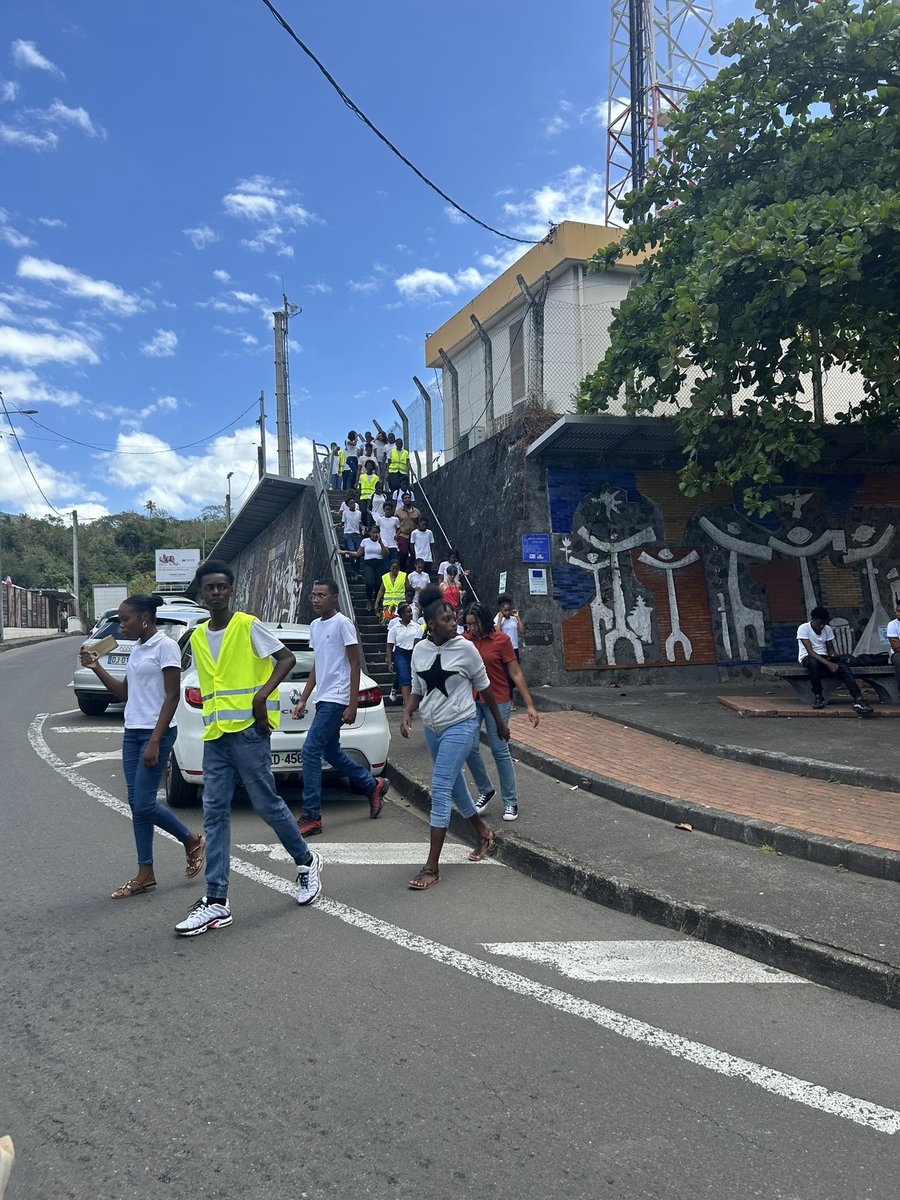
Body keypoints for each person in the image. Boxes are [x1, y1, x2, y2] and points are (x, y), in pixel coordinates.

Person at [174, 561, 323, 936]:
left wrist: (261, 697)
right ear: (201, 594)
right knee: (214, 813)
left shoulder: (247, 625)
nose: (216, 593)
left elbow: (286, 658)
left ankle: (306, 862)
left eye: (223, 586)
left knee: (266, 803)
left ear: (231, 590)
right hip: (216, 735)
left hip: (248, 733)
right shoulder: (196, 637)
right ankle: (216, 900)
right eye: (210, 588)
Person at [79, 594, 204, 899]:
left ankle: (191, 840)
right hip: (133, 732)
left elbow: (172, 696)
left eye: (125, 620)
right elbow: (124, 692)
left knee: (145, 805)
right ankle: (145, 873)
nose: (120, 626)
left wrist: (155, 740)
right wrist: (96, 667)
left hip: (155, 734)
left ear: (145, 618)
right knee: (137, 806)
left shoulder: (166, 647)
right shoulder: (137, 649)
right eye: (120, 620)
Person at [400, 586, 506, 889]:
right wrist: (407, 713)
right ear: (431, 625)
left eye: (454, 618)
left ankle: (431, 868)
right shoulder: (420, 650)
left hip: (461, 726)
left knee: (441, 787)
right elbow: (418, 689)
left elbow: (485, 687)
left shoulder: (465, 648)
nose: (453, 623)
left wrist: (498, 723)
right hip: (433, 730)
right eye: (446, 619)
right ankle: (484, 833)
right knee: (457, 788)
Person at [292, 578, 389, 837]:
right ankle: (372, 785)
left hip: (338, 697)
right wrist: (303, 698)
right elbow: (317, 665)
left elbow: (355, 664)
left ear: (334, 597)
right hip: (323, 697)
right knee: (331, 752)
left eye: (321, 595)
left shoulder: (343, 624)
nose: (316, 599)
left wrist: (352, 703)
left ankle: (312, 815)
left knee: (310, 749)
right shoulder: (314, 626)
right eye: (313, 595)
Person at [464, 602, 540, 822]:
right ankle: (485, 789)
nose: (472, 629)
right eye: (468, 625)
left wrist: (530, 705)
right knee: (468, 746)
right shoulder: (465, 640)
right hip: (473, 699)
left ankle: (510, 801)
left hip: (498, 700)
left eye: (475, 624)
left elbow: (515, 673)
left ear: (485, 621)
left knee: (499, 750)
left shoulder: (501, 640)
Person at [797, 606, 873, 713]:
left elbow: (830, 648)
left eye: (824, 623)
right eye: (820, 623)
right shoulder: (803, 628)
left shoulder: (827, 629)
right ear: (813, 619)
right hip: (808, 658)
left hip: (824, 658)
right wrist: (828, 664)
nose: (822, 626)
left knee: (843, 667)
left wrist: (833, 656)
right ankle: (818, 696)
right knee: (813, 664)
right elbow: (810, 652)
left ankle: (858, 698)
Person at [341, 524, 386, 611]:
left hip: (379, 563)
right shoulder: (365, 541)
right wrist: (346, 552)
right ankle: (369, 600)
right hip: (368, 563)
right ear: (370, 533)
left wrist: (381, 543)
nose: (375, 534)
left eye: (377, 533)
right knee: (369, 582)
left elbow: (386, 554)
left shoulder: (383, 541)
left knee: (378, 584)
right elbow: (358, 553)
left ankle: (377, 602)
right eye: (373, 532)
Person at [386, 602, 423, 708]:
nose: (410, 614)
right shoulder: (394, 629)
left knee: (414, 679)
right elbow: (389, 646)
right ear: (401, 614)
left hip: (414, 653)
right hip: (400, 654)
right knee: (404, 678)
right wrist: (390, 662)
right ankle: (408, 706)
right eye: (408, 612)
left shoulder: (416, 626)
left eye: (411, 611)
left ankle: (412, 702)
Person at [334, 496, 362, 577]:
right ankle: (353, 569)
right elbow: (343, 523)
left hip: (356, 534)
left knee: (359, 552)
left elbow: (359, 523)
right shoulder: (345, 513)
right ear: (348, 505)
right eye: (351, 503)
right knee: (352, 551)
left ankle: (358, 570)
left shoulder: (359, 513)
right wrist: (337, 525)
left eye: (353, 503)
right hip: (348, 534)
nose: (353, 504)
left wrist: (362, 529)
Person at [375, 560, 408, 626]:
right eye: (393, 569)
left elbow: (408, 589)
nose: (395, 570)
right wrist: (376, 602)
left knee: (399, 624)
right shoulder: (385, 577)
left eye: (397, 569)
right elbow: (381, 590)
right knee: (385, 623)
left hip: (400, 605)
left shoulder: (403, 575)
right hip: (387, 604)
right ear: (390, 568)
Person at [495, 594, 525, 662]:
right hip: (503, 648)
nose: (507, 612)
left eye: (509, 610)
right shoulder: (497, 619)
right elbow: (497, 632)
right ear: (501, 610)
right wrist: (500, 618)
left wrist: (517, 617)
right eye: (505, 610)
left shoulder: (513, 619)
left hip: (514, 648)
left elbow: (522, 630)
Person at [395, 493, 421, 569]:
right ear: (402, 500)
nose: (407, 499)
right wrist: (396, 534)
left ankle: (412, 570)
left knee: (414, 554)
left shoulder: (416, 511)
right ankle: (402, 570)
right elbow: (396, 524)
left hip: (414, 536)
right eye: (405, 498)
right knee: (404, 552)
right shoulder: (398, 512)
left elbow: (420, 523)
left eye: (409, 498)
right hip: (403, 535)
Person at [375, 500, 401, 565]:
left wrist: (397, 535)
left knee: (395, 563)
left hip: (393, 544)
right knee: (385, 565)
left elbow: (399, 529)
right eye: (386, 509)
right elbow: (376, 529)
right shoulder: (379, 520)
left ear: (392, 510)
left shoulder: (395, 519)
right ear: (383, 510)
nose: (388, 511)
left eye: (389, 509)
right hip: (383, 545)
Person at [357, 458, 380, 525]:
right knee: (363, 512)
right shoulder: (362, 476)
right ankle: (365, 526)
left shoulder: (376, 477)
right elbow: (360, 487)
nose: (369, 467)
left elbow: (377, 487)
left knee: (372, 513)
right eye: (368, 465)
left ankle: (372, 526)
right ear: (366, 467)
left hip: (372, 497)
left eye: (371, 466)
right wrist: (359, 496)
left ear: (373, 468)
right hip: (363, 497)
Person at [888, 601, 900, 698]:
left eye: (899, 611)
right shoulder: (892, 624)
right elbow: (897, 647)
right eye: (896, 611)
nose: (896, 614)